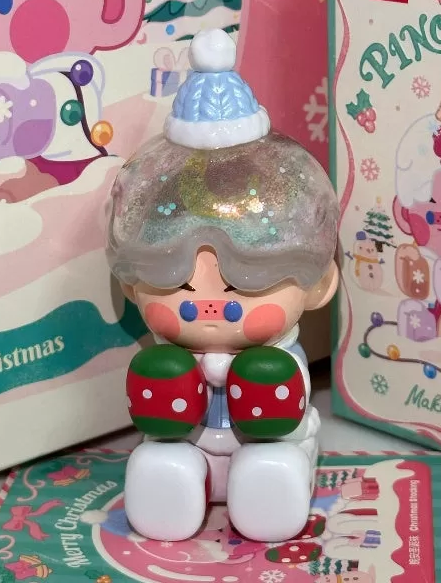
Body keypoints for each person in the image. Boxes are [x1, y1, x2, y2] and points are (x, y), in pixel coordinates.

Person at [105, 28, 340, 543]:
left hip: (266, 444)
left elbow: (286, 399)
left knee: (269, 459)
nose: (209, 308)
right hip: (189, 443)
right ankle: (169, 491)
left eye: (240, 290)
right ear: (134, 286)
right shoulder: (169, 353)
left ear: (318, 285)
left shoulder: (278, 355)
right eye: (181, 288)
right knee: (161, 457)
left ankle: (270, 493)